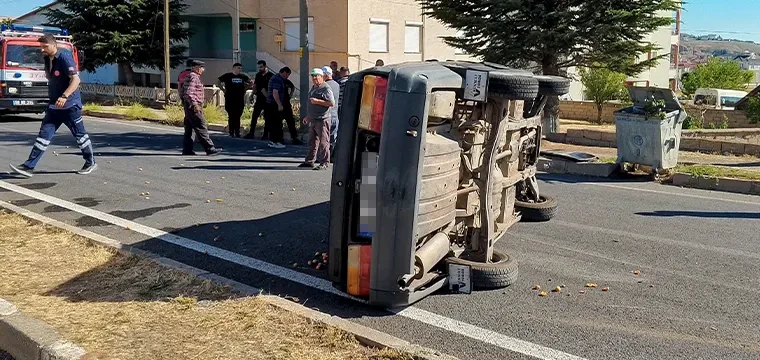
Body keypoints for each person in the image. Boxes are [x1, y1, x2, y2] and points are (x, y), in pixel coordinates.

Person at [10, 34, 96, 178]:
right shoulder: (46, 59)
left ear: (53, 45)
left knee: (80, 136)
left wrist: (64, 96)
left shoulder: (64, 57)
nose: (42, 50)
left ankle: (90, 162)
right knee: (43, 135)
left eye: (45, 47)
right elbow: (53, 78)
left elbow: (76, 80)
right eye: (41, 47)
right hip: (54, 107)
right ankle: (28, 167)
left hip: (69, 106)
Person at [181, 60, 222, 156]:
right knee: (201, 126)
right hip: (193, 106)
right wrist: (194, 105)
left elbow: (183, 91)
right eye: (201, 67)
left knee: (189, 128)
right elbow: (189, 93)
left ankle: (187, 149)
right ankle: (210, 149)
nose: (203, 70)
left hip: (188, 105)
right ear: (196, 67)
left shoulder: (189, 75)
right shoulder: (194, 77)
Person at [299, 68, 335, 170]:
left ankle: (324, 163)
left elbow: (332, 103)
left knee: (323, 142)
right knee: (312, 142)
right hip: (313, 119)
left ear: (322, 76)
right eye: (313, 76)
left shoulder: (326, 88)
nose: (314, 78)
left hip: (322, 119)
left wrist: (317, 101)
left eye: (316, 76)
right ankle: (310, 161)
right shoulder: (314, 87)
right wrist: (308, 116)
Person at [217, 63, 252, 138]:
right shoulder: (228, 75)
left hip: (239, 99)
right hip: (230, 98)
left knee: (238, 116)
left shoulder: (243, 76)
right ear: (234, 68)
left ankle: (237, 132)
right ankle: (231, 131)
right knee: (231, 115)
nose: (240, 69)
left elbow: (251, 82)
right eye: (238, 68)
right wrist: (223, 89)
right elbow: (218, 81)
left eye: (240, 68)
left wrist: (245, 89)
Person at [264, 67, 292, 149]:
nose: (287, 77)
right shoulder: (278, 80)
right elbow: (275, 93)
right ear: (284, 72)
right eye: (287, 75)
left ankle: (274, 140)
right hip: (274, 105)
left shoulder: (275, 77)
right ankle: (275, 141)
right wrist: (279, 104)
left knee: (274, 123)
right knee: (276, 124)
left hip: (271, 104)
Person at [245, 60, 273, 139]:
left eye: (261, 67)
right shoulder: (258, 75)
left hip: (267, 99)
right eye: (259, 67)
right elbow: (255, 86)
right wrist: (252, 94)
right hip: (259, 98)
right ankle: (251, 133)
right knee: (255, 116)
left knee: (267, 117)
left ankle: (265, 134)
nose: (260, 69)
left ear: (265, 66)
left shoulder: (270, 76)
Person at [322, 66, 340, 159]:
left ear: (325, 75)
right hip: (334, 115)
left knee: (324, 138)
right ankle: (333, 157)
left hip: (326, 115)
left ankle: (324, 158)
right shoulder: (337, 85)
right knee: (333, 138)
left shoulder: (324, 86)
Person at [281, 77, 303, 145]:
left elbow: (292, 87)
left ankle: (294, 137)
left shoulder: (286, 81)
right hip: (279, 103)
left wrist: (290, 95)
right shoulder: (277, 81)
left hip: (286, 103)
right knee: (278, 123)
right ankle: (280, 138)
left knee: (290, 121)